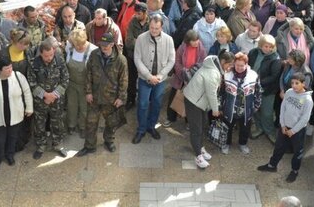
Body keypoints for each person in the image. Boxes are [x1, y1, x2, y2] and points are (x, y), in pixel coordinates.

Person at [76, 31, 128, 157]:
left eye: (106, 45)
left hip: (111, 99)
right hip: (94, 97)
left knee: (111, 122)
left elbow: (124, 80)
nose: (103, 47)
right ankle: (89, 146)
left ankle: (109, 141)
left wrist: (121, 98)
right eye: (101, 45)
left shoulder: (121, 60)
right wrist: (88, 92)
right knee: (91, 122)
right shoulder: (94, 55)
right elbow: (88, 74)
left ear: (112, 44)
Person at [257, 72, 314, 183]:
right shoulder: (289, 92)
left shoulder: (307, 100)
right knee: (278, 147)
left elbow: (305, 119)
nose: (294, 85)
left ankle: (294, 171)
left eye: (297, 83)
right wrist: (282, 125)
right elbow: (282, 108)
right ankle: (272, 165)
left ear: (303, 84)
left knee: (297, 152)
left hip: (297, 131)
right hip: (284, 127)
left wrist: (293, 131)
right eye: (292, 83)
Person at [184, 51, 235, 169]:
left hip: (199, 102)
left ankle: (200, 148)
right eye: (229, 64)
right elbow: (211, 93)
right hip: (194, 102)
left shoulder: (213, 66)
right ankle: (198, 156)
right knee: (196, 129)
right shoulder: (213, 73)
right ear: (222, 62)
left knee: (203, 125)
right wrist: (215, 110)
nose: (230, 67)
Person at [132, 15, 175, 144]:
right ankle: (141, 130)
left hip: (160, 80)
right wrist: (148, 76)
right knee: (143, 104)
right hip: (145, 78)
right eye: (152, 27)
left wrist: (160, 76)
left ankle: (151, 127)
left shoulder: (169, 40)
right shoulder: (141, 38)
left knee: (156, 104)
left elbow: (171, 60)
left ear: (161, 27)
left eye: (157, 28)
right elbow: (137, 59)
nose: (154, 30)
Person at [28, 39, 70, 159]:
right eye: (46, 56)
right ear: (41, 53)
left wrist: (54, 95)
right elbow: (32, 82)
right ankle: (41, 145)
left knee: (57, 122)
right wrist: (45, 95)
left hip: (57, 100)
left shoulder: (59, 60)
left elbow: (65, 79)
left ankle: (58, 144)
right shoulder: (33, 64)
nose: (49, 58)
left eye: (51, 54)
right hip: (41, 101)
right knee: (39, 123)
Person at [0, 56, 32, 171]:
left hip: (15, 114)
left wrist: (29, 108)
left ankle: (10, 155)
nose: (10, 70)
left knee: (12, 137)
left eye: (10, 67)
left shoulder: (18, 76)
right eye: (6, 68)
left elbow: (27, 91)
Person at [221, 52, 262, 155]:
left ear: (246, 65)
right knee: (227, 127)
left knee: (245, 128)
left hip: (246, 109)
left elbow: (258, 91)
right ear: (234, 64)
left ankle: (243, 144)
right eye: (237, 65)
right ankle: (226, 143)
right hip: (230, 108)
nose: (239, 67)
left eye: (242, 65)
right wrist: (220, 106)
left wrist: (256, 105)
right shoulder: (226, 75)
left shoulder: (253, 75)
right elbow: (221, 92)